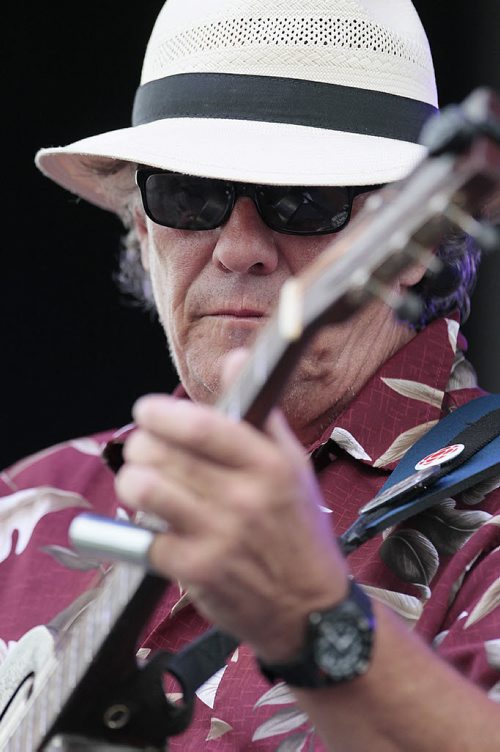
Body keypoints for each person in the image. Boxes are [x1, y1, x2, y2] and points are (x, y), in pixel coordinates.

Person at [1, 0, 500, 749]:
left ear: (416, 247)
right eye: (187, 195)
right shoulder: (26, 502)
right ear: (142, 228)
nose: (238, 247)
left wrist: (313, 617)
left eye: (304, 202)